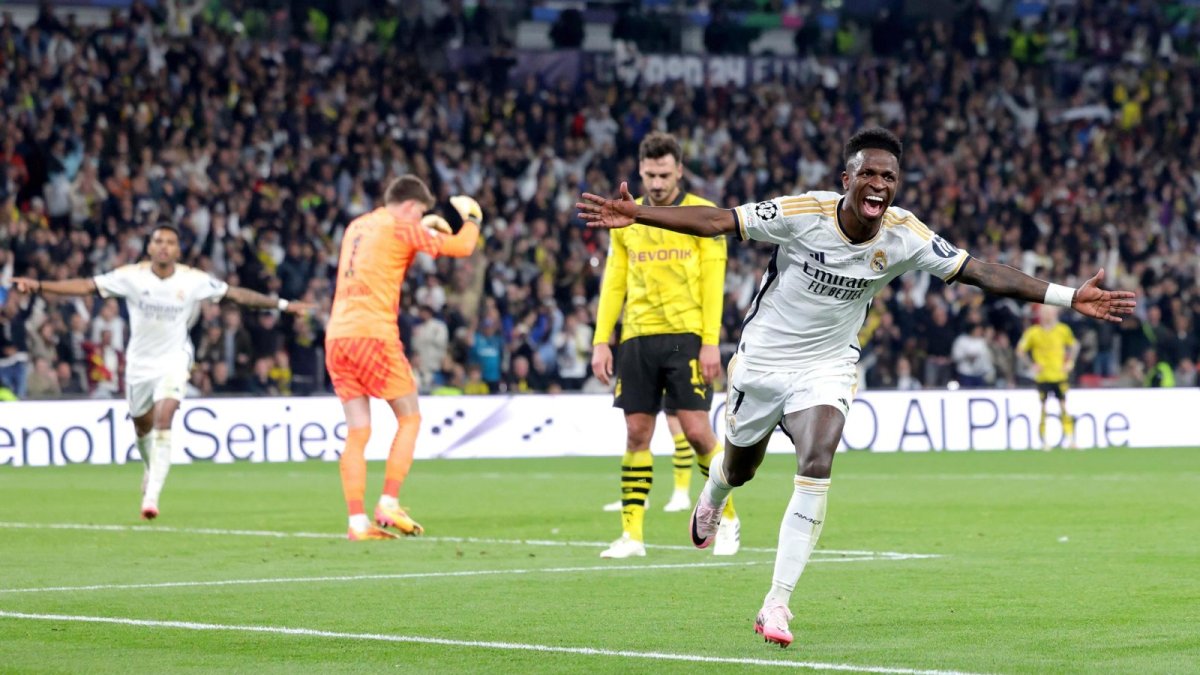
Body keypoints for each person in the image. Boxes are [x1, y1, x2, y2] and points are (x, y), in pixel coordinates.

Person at [578, 127, 1136, 647]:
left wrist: (1068, 296)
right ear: (847, 180)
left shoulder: (905, 234)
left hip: (829, 363)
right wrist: (642, 217)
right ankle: (716, 492)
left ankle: (777, 603)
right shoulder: (802, 213)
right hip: (764, 361)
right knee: (741, 465)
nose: (879, 185)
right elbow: (719, 222)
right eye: (869, 174)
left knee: (817, 459)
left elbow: (979, 271)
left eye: (889, 178)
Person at [11, 224, 313, 519]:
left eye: (170, 242)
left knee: (164, 417)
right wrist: (39, 285)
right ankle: (150, 467)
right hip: (140, 365)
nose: (164, 246)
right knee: (142, 427)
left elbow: (237, 295)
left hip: (174, 359)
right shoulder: (130, 276)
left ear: (178, 249)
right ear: (150, 247)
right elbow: (86, 286)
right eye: (159, 241)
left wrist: (284, 305)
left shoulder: (192, 280)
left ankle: (152, 495)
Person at [590, 131, 738, 559]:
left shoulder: (702, 216)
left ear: (679, 171)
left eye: (664, 174)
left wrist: (711, 342)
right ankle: (632, 536)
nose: (656, 183)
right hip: (637, 336)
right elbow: (614, 280)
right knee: (637, 433)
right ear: (640, 171)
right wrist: (603, 340)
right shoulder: (627, 217)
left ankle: (726, 519)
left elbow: (715, 284)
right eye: (650, 175)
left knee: (696, 431)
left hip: (687, 337)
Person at [324, 175, 482, 541]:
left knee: (358, 431)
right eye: (421, 212)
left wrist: (424, 231)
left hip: (338, 335)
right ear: (411, 207)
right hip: (373, 333)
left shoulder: (357, 226)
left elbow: (389, 260)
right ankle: (389, 502)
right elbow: (462, 248)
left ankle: (357, 523)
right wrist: (472, 216)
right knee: (410, 417)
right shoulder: (400, 226)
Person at [1016, 306, 1079, 450]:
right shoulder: (1033, 332)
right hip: (1042, 377)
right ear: (1040, 315)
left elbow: (1075, 345)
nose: (1047, 315)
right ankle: (1044, 441)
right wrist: (1031, 365)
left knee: (1063, 407)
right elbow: (1020, 350)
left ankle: (1071, 439)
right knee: (1043, 408)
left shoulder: (1063, 330)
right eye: (1044, 313)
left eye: (1049, 313)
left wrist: (1070, 362)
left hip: (1059, 375)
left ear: (1055, 313)